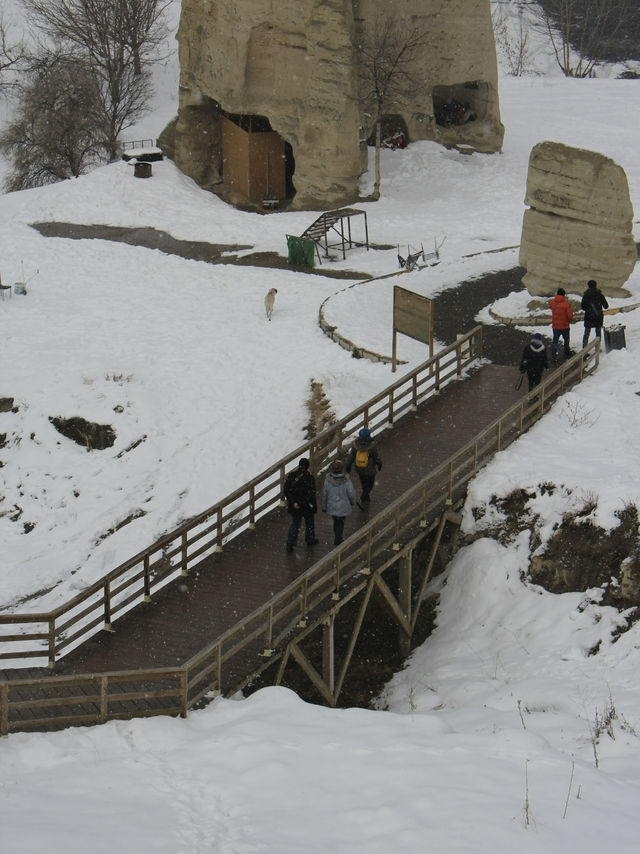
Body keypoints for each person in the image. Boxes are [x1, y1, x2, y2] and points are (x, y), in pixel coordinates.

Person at [284, 457, 318, 553]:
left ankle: (290, 543)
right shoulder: (310, 478)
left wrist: (293, 502)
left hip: (295, 506)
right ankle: (310, 539)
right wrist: (304, 502)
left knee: (295, 523)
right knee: (309, 522)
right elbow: (311, 493)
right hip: (307, 505)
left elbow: (286, 491)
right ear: (307, 466)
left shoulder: (291, 476)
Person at [345, 427, 382, 509]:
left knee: (364, 483)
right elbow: (376, 457)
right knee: (370, 485)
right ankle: (364, 496)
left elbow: (351, 456)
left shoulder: (355, 445)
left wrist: (348, 466)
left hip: (359, 469)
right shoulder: (372, 446)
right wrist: (379, 464)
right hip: (370, 469)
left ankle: (366, 497)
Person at [322, 459, 356, 546]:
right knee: (341, 523)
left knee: (336, 522)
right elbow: (351, 492)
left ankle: (337, 536)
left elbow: (324, 494)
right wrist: (352, 501)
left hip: (332, 505)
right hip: (343, 506)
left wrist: (324, 506)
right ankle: (338, 539)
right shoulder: (346, 480)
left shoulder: (328, 480)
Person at [581, 279, 609, 347]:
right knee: (598, 333)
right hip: (598, 316)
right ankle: (597, 347)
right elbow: (606, 306)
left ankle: (584, 348)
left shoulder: (586, 295)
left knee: (587, 333)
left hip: (589, 317)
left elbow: (583, 307)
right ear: (596, 285)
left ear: (588, 286)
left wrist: (589, 309)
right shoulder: (600, 295)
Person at [548, 287, 573, 362]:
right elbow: (570, 316)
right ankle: (566, 352)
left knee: (555, 341)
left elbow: (550, 306)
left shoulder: (552, 303)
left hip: (555, 326)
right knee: (566, 340)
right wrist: (569, 321)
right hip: (565, 325)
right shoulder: (566, 304)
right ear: (564, 295)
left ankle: (553, 356)